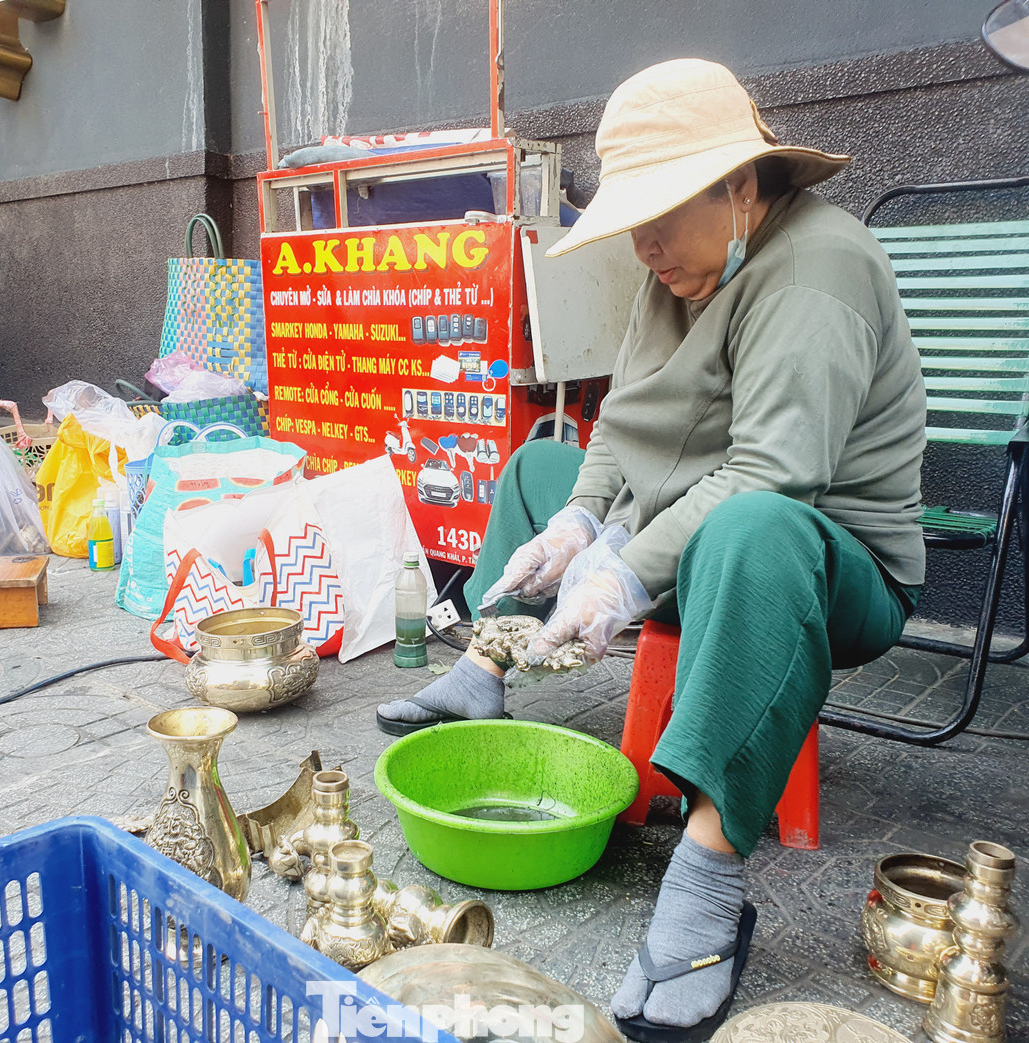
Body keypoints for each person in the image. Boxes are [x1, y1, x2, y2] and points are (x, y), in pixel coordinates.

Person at [377, 58, 927, 1040]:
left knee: (749, 528)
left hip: (824, 566)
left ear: (742, 186)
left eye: (663, 211)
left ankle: (709, 878)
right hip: (699, 529)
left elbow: (772, 477)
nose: (645, 242)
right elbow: (622, 430)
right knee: (536, 466)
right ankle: (484, 662)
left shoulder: (818, 264)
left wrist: (622, 573)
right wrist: (581, 524)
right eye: (633, 216)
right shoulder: (677, 268)